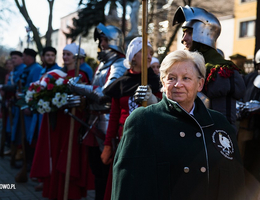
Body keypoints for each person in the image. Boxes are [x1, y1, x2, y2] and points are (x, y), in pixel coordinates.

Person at [111, 50, 245, 200]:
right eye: (171, 78)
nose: (178, 84)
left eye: (186, 78)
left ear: (200, 84)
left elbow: (235, 182)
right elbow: (126, 186)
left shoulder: (219, 124)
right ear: (163, 82)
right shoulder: (143, 121)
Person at [68, 23, 127, 200]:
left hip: (108, 121)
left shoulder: (120, 63)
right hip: (95, 120)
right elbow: (94, 93)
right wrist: (80, 99)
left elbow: (105, 93)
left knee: (106, 169)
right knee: (97, 170)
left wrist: (77, 87)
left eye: (104, 39)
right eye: (101, 40)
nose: (101, 43)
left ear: (113, 41)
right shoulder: (103, 65)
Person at [100, 37, 162, 199]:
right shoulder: (121, 83)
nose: (149, 56)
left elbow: (165, 113)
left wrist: (154, 101)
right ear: (133, 56)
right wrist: (107, 145)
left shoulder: (158, 82)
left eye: (151, 53)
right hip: (124, 140)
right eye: (144, 52)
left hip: (151, 141)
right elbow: (113, 117)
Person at [30, 44, 94, 200]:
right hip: (56, 121)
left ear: (77, 58)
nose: (65, 57)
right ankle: (55, 191)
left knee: (68, 156)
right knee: (55, 154)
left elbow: (86, 100)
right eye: (64, 54)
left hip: (72, 121)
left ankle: (69, 193)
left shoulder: (82, 75)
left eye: (68, 55)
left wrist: (79, 101)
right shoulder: (55, 74)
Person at [173, 5, 246, 130]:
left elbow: (222, 120)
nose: (183, 39)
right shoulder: (191, 65)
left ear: (203, 33)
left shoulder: (219, 71)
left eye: (189, 33)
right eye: (184, 33)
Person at [237, 46, 260, 193]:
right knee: (250, 173)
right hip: (251, 135)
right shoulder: (250, 78)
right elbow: (239, 96)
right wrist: (241, 107)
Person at [14, 48, 42, 182]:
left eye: (24, 56)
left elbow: (34, 90)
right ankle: (27, 161)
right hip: (24, 109)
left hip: (30, 111)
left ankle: (30, 163)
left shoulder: (36, 69)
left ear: (29, 57)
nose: (22, 58)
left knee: (31, 137)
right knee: (25, 137)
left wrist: (29, 106)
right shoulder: (28, 68)